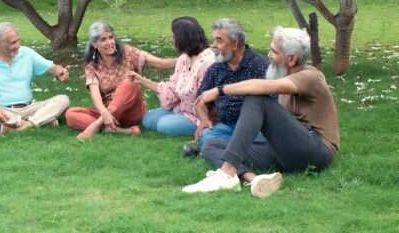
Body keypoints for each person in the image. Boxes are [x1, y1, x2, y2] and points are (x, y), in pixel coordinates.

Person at [182, 27, 340, 198]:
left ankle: (226, 174)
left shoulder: (311, 77)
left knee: (257, 99)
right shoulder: (283, 76)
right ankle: (254, 179)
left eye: (274, 51)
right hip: (286, 151)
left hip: (316, 151)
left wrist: (219, 90)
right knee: (212, 144)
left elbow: (263, 88)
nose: (269, 55)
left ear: (292, 59)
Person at [65, 21, 177, 141]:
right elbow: (95, 95)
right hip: (110, 114)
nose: (110, 42)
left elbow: (161, 63)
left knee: (129, 82)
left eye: (111, 37)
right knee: (70, 114)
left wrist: (187, 57)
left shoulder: (128, 52)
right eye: (103, 40)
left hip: (132, 111)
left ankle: (96, 126)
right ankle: (120, 130)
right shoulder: (92, 67)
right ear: (95, 44)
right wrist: (104, 112)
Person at [0, 22, 70, 135]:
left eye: (18, 41)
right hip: (3, 110)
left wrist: (60, 72)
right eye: (13, 43)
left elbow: (52, 68)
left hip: (30, 107)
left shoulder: (26, 53)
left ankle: (24, 124)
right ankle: (42, 119)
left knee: (63, 99)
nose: (18, 45)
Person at [190, 18, 268, 154]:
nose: (214, 45)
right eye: (214, 40)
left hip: (255, 129)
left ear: (235, 44)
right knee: (206, 137)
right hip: (226, 127)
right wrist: (204, 120)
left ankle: (226, 148)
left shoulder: (260, 66)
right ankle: (237, 148)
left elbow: (274, 103)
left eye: (219, 40)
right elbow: (199, 101)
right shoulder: (215, 69)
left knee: (264, 140)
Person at [134, 16, 215, 136]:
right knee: (148, 120)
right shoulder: (183, 58)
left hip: (199, 116)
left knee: (163, 125)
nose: (171, 39)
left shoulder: (207, 63)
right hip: (181, 108)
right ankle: (176, 120)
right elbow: (172, 89)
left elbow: (207, 100)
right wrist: (142, 81)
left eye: (173, 36)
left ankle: (198, 128)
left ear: (183, 38)